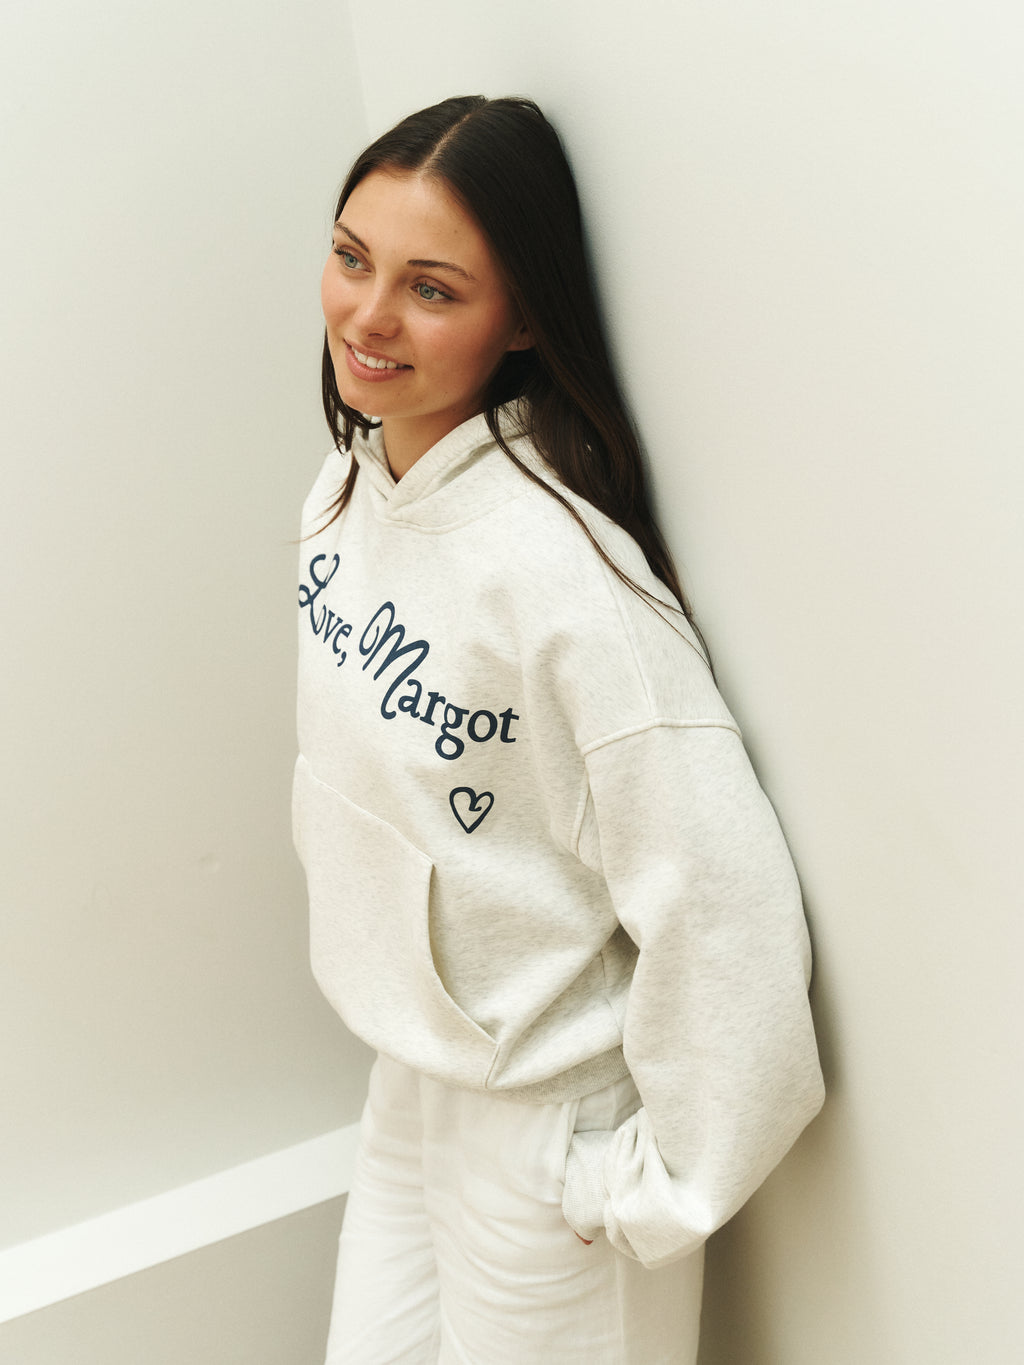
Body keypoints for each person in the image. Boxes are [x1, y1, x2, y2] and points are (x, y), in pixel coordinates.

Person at [293, 94, 824, 1365]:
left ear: (521, 317)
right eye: (353, 256)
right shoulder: (347, 490)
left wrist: (655, 1187)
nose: (368, 317)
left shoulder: (563, 579)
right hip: (413, 1080)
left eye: (431, 288)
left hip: (551, 1129)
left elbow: (722, 900)